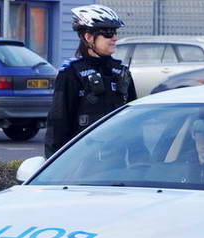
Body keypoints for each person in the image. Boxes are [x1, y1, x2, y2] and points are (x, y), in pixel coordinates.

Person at [44, 5, 137, 158]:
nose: (115, 38)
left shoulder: (121, 72)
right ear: (88, 37)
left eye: (115, 32)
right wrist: (53, 164)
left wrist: (141, 161)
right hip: (83, 162)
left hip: (117, 162)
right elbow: (58, 125)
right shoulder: (71, 73)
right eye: (108, 33)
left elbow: (135, 122)